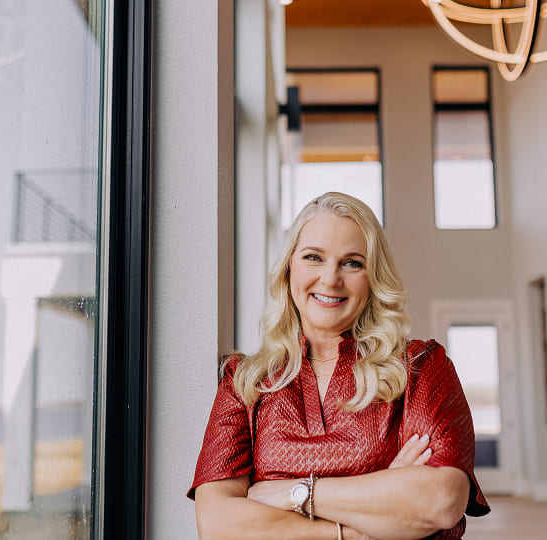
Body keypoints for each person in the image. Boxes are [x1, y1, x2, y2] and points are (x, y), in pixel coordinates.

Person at [188, 192, 489, 539]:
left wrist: (294, 493)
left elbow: (441, 501)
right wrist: (365, 524)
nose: (331, 279)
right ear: (289, 269)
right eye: (313, 257)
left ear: (373, 277)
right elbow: (217, 525)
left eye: (352, 263)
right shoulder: (244, 380)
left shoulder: (420, 367)